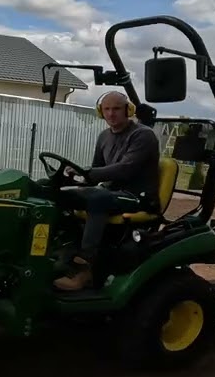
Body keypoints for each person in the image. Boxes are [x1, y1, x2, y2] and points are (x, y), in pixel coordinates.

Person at [53, 91, 160, 292]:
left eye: (117, 109)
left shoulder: (143, 135)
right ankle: (60, 254)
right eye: (107, 109)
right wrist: (73, 178)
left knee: (98, 198)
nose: (111, 114)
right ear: (101, 112)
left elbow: (125, 169)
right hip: (110, 193)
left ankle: (84, 268)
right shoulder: (104, 136)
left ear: (128, 110)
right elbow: (96, 169)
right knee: (56, 193)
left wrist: (87, 173)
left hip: (136, 197)